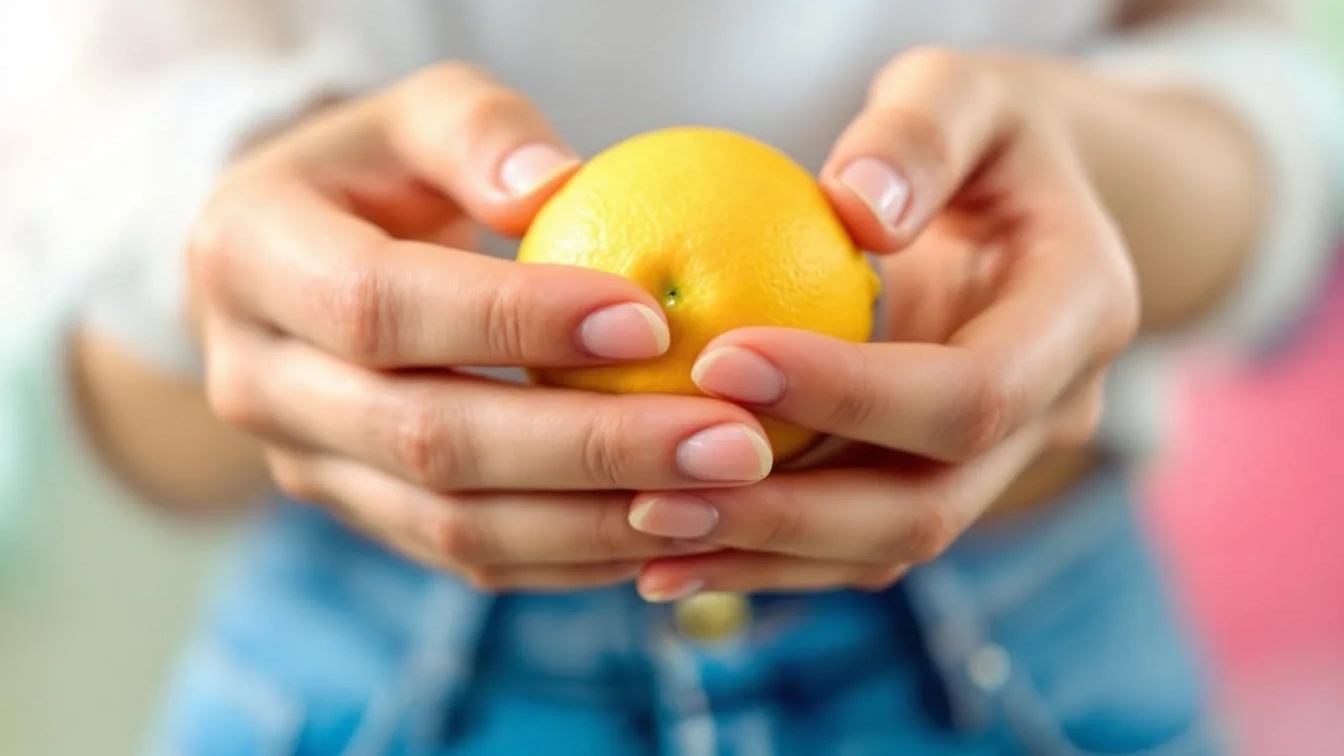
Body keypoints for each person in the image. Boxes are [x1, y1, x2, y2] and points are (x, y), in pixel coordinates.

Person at [6, 0, 1342, 753]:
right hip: (367, 662)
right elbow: (136, 412)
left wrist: (1091, 179)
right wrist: (259, 266)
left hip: (1023, 655)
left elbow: (1266, 107)